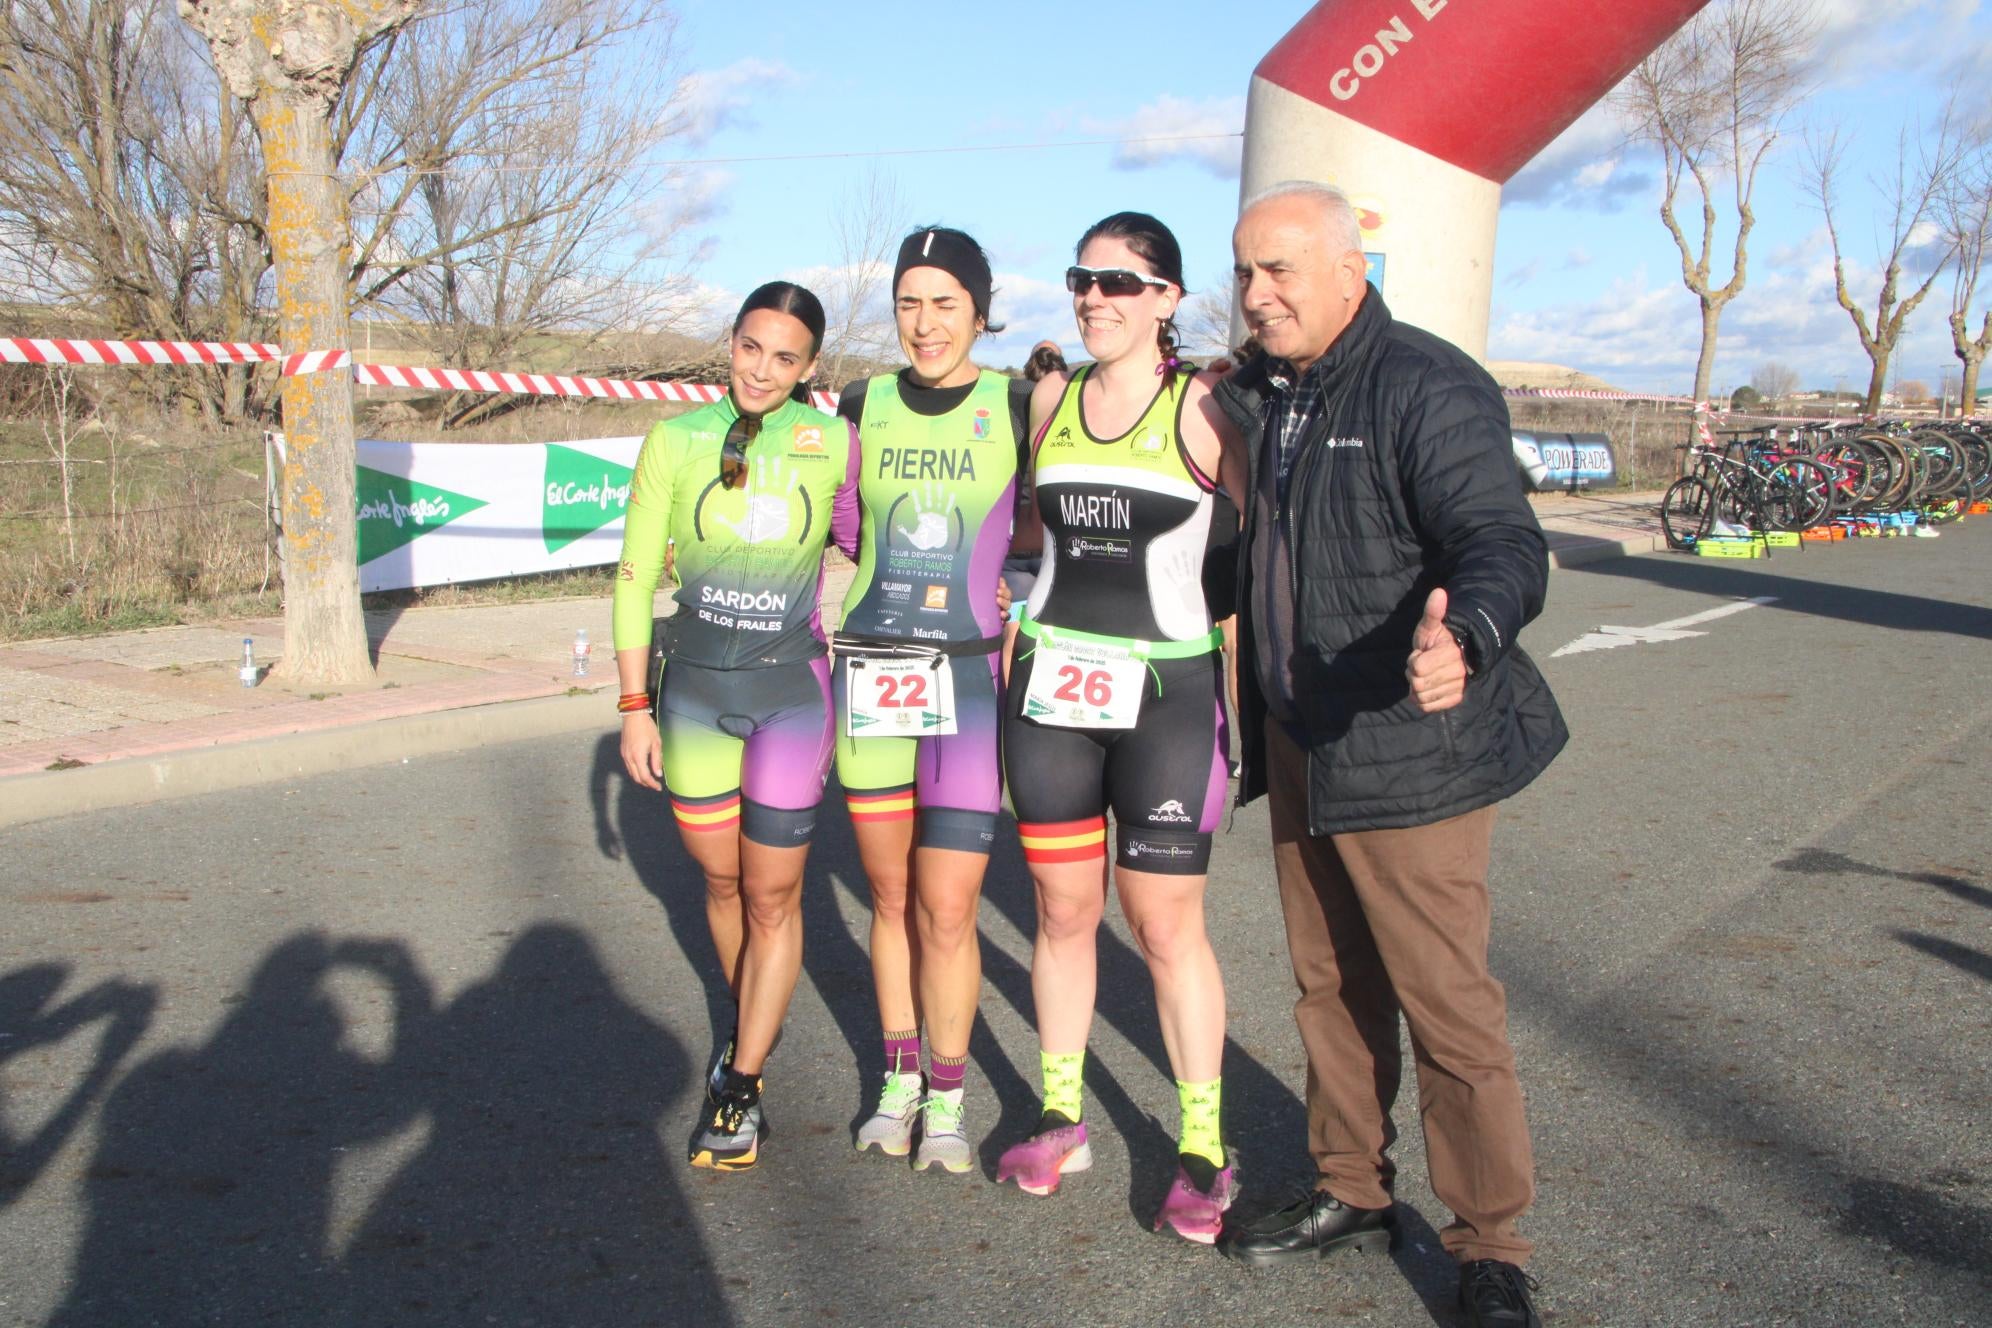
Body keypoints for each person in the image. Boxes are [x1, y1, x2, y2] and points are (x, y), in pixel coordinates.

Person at [1209, 181, 1566, 1328]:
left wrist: (1465, 633)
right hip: (1303, 736)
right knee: (1328, 985)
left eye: (1280, 272)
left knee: (1444, 1002)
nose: (1257, 296)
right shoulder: (1266, 391)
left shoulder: (1422, 380)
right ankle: (1350, 1185)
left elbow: (1501, 537)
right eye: (1245, 273)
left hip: (1410, 742)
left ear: (1349, 270)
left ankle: (1491, 1244)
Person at [997, 212, 1247, 1244]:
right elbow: (1026, 538)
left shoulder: (1206, 406)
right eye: (1082, 279)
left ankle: (1201, 1143)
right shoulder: (1049, 397)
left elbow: (1269, 533)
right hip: (1054, 691)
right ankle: (1061, 1116)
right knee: (1060, 912)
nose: (1096, 297)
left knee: (1162, 924)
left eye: (1121, 281)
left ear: (1167, 298)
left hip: (1167, 699)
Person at [613, 281, 859, 1172]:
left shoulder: (833, 440)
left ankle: (742, 1079)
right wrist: (633, 706)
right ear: (731, 341)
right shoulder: (673, 439)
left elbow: (871, 546)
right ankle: (758, 1005)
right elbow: (635, 578)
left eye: (785, 357)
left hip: (790, 693)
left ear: (811, 367)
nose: (763, 369)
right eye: (751, 347)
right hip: (690, 699)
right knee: (721, 885)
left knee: (771, 894)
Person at [831, 226, 1034, 1174]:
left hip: (967, 677)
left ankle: (948, 1101)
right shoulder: (860, 404)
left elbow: (1055, 522)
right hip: (875, 669)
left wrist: (1021, 581)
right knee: (888, 893)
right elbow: (837, 526)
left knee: (949, 908)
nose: (925, 323)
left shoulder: (1022, 404)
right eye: (909, 302)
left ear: (981, 312)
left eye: (945, 302)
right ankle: (899, 1079)